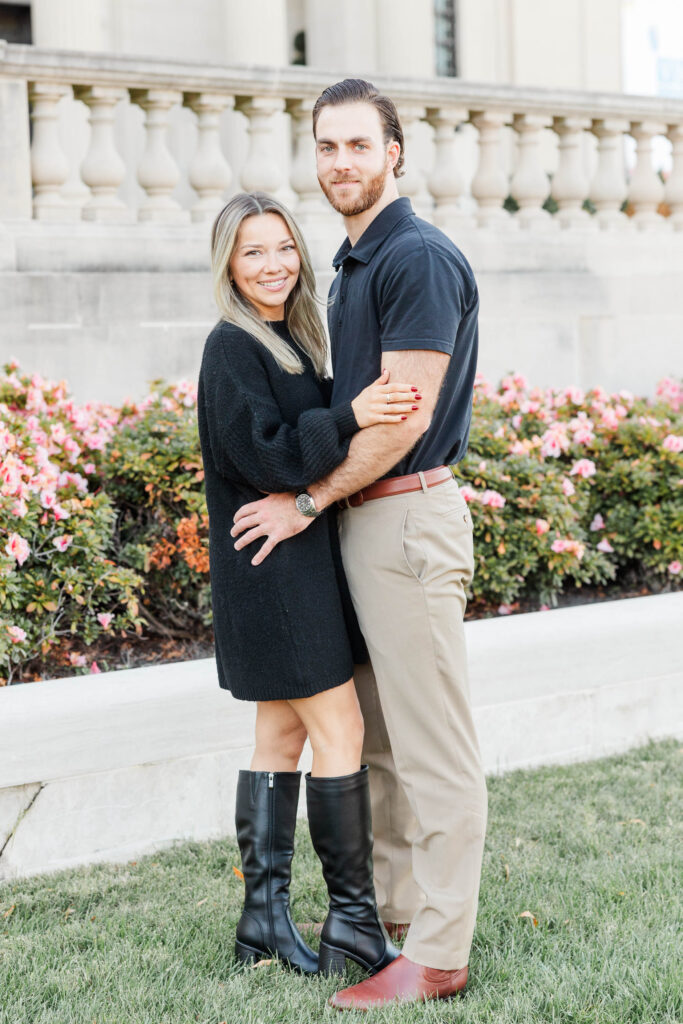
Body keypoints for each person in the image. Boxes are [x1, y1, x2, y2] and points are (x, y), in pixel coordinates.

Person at [231, 80, 488, 1009]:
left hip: (404, 518)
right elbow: (355, 414)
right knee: (377, 744)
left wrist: (303, 500)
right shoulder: (350, 263)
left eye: (357, 146)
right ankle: (393, 921)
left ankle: (441, 952)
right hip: (363, 522)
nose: (341, 162)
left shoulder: (414, 256)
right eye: (326, 147)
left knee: (433, 750)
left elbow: (398, 422)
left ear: (395, 153)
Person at [196, 191, 423, 978]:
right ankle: (354, 923)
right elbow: (268, 458)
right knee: (340, 734)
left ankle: (261, 922)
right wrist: (354, 412)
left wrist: (347, 409)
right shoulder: (232, 347)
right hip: (276, 574)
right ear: (228, 262)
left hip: (285, 566)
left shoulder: (285, 339)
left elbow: (295, 443)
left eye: (284, 247)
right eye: (253, 251)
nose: (273, 264)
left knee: (279, 738)